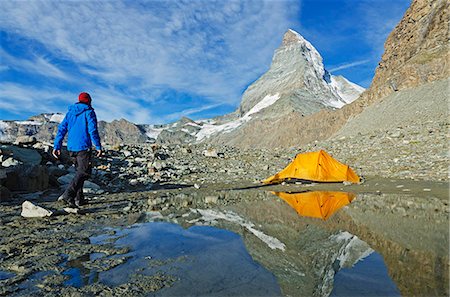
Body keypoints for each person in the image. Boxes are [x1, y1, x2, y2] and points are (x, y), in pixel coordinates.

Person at [52, 92, 102, 207]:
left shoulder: (70, 113)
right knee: (84, 172)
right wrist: (98, 146)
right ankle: (68, 194)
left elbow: (61, 129)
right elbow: (92, 130)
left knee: (79, 172)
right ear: (89, 101)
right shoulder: (89, 112)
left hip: (71, 148)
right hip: (83, 147)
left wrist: (57, 146)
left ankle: (79, 199)